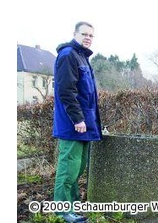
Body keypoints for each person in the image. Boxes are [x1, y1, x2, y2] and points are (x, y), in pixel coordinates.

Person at [52, 21, 102, 222]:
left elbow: (86, 95)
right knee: (68, 168)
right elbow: (67, 92)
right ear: (75, 34)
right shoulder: (68, 55)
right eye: (84, 34)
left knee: (77, 167)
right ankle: (63, 211)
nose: (88, 37)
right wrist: (77, 119)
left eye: (91, 35)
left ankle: (71, 207)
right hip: (73, 125)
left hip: (83, 125)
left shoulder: (82, 56)